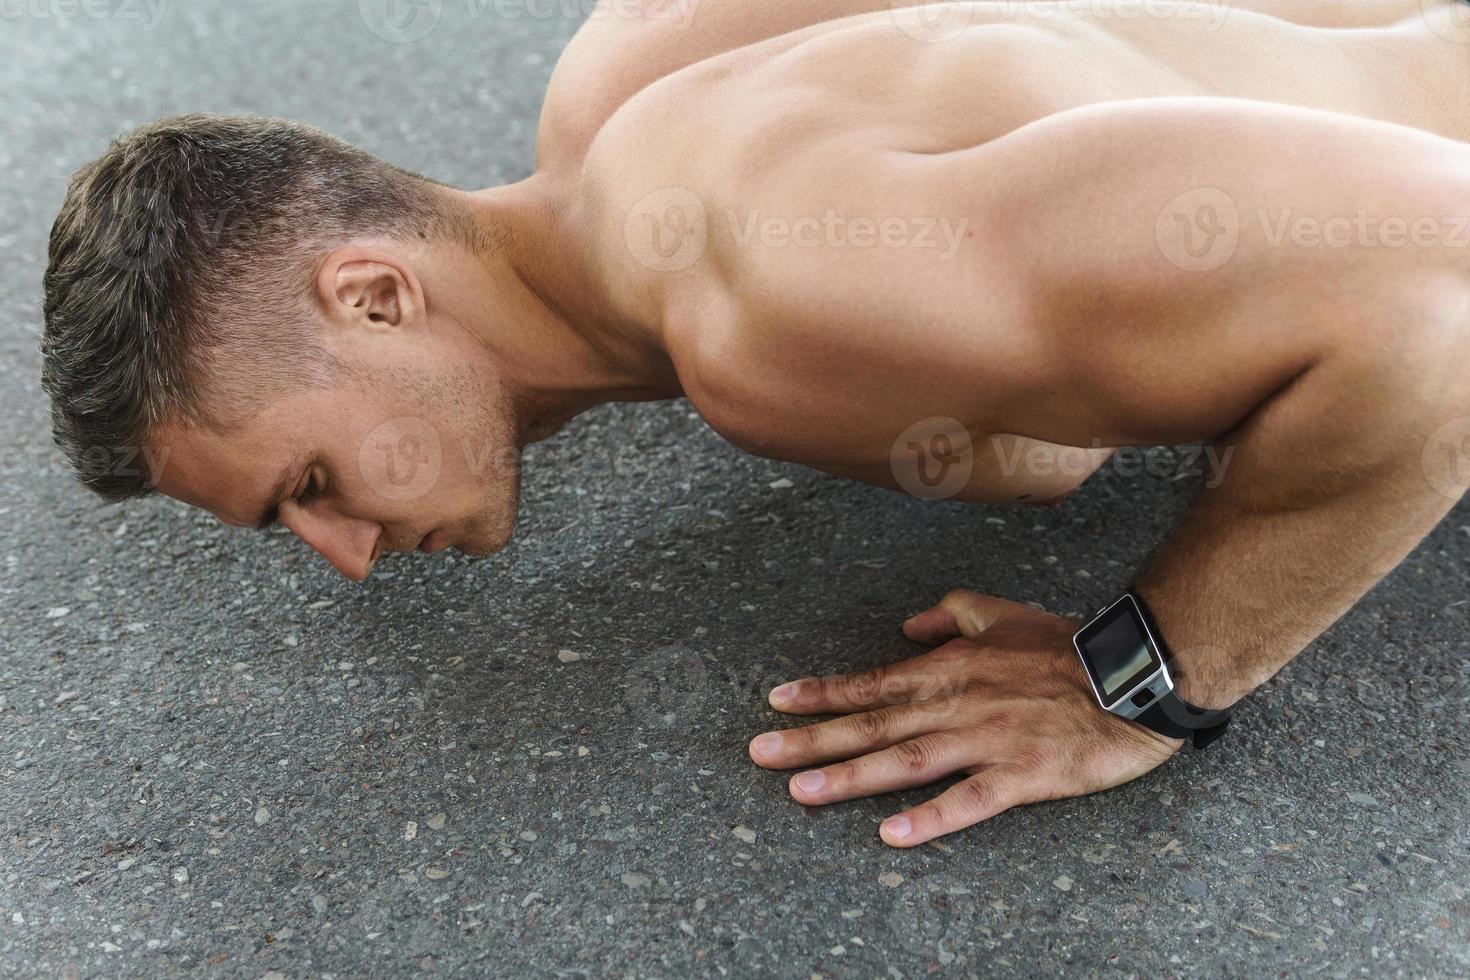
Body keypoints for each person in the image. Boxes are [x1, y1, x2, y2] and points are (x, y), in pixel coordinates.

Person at [40, 0, 1470, 846]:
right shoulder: (624, 71)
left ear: (368, 295)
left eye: (309, 480)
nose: (342, 552)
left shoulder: (770, 315)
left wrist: (1138, 677)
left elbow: (1441, 302)